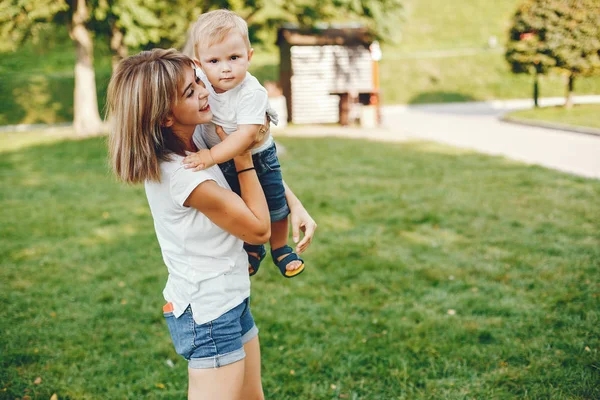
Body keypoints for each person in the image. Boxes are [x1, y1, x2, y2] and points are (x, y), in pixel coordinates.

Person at [106, 48, 316, 400]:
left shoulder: (196, 142)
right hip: (209, 314)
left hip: (231, 298)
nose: (206, 92)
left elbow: (258, 175)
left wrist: (294, 205)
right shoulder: (184, 177)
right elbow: (259, 230)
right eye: (191, 92)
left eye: (198, 81)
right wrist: (243, 153)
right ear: (164, 118)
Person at [182, 9, 304, 278]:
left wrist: (211, 156)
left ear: (249, 57)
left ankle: (281, 247)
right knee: (244, 205)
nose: (225, 68)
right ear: (199, 65)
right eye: (214, 60)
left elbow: (246, 135)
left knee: (274, 203)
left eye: (234, 58)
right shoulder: (202, 84)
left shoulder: (251, 92)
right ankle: (252, 248)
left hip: (258, 156)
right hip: (223, 158)